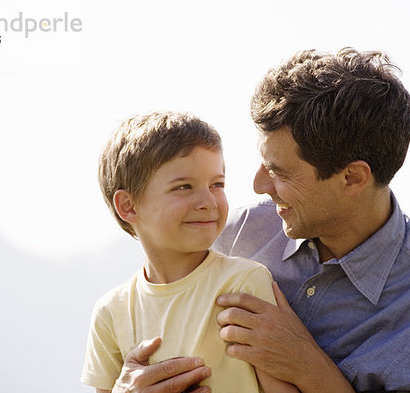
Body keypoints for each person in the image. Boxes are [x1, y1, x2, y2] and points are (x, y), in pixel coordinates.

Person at [112, 48, 410, 393]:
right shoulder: (233, 234)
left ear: (353, 178)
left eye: (279, 171)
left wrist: (308, 366)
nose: (260, 185)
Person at [80, 111, 299, 393]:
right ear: (129, 206)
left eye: (217, 184)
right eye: (184, 186)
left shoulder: (244, 283)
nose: (208, 201)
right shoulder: (110, 312)